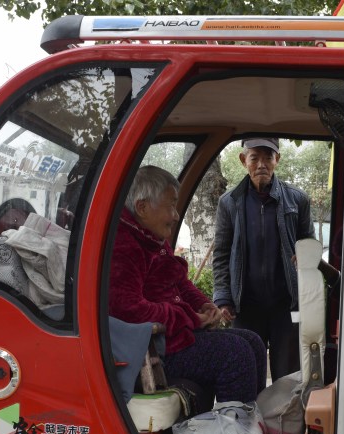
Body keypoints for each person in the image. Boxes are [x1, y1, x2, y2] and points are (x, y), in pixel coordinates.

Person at [109, 165, 267, 404]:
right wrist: (188, 317)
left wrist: (203, 304)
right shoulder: (123, 246)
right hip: (155, 349)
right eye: (170, 205)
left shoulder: (154, 238)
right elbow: (129, 310)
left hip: (176, 336)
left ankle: (251, 426)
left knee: (252, 341)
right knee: (236, 353)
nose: (175, 215)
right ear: (142, 207)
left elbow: (180, 284)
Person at [212, 137, 317, 381]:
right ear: (243, 161)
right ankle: (250, 419)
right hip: (246, 305)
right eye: (254, 158)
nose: (261, 164)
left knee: (288, 376)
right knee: (247, 373)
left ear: (277, 160)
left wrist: (305, 256)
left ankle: (285, 418)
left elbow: (309, 244)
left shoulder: (297, 199)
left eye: (268, 157)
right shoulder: (228, 203)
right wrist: (223, 298)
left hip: (286, 303)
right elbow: (221, 254)